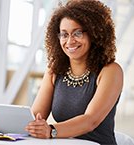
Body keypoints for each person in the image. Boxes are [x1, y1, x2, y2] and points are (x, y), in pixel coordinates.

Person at [24, 0, 123, 145]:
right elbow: (35, 117)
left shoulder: (111, 71)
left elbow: (91, 120)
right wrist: (5, 126)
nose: (70, 41)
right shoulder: (54, 70)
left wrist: (51, 131)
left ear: (94, 33)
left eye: (77, 33)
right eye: (64, 34)